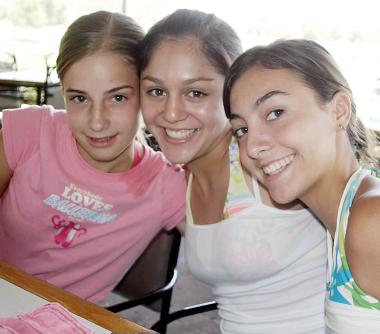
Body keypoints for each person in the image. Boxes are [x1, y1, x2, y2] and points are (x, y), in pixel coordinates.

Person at [140, 9, 327, 333]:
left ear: (232, 93)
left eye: (195, 92)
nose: (171, 113)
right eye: (156, 91)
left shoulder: (266, 164)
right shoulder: (176, 180)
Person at [0, 11, 186, 303]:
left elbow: (237, 254)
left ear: (147, 93)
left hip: (63, 323)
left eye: (118, 97)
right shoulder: (31, 131)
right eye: (79, 98)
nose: (97, 122)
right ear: (62, 91)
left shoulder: (166, 185)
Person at [223, 38, 380, 333]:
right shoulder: (345, 218)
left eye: (275, 113)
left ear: (339, 111)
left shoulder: (372, 221)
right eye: (241, 130)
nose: (253, 146)